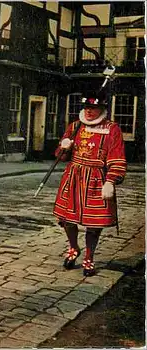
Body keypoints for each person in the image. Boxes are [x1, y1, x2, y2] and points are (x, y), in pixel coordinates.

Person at [53, 91, 126, 277]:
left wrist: (110, 180)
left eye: (93, 108)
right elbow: (60, 157)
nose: (89, 111)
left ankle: (89, 256)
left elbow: (117, 156)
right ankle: (74, 247)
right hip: (74, 177)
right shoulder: (75, 126)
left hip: (96, 179)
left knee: (94, 223)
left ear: (102, 109)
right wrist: (64, 147)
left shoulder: (112, 129)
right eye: (86, 107)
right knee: (67, 219)